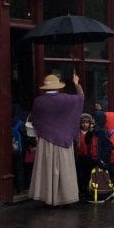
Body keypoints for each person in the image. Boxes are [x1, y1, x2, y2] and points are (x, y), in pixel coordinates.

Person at [28, 73, 84, 206]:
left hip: (46, 140)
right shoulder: (67, 99)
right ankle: (65, 197)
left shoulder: (39, 101)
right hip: (64, 140)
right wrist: (76, 83)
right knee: (64, 169)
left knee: (46, 169)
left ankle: (47, 197)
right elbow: (81, 98)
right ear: (58, 87)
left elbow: (36, 120)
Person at [74, 112, 96, 200]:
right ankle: (81, 190)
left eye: (87, 122)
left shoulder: (91, 133)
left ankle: (87, 189)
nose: (84, 124)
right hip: (79, 156)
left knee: (87, 174)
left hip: (88, 157)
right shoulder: (77, 133)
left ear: (90, 124)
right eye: (83, 122)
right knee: (79, 174)